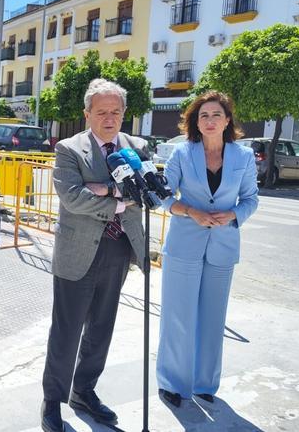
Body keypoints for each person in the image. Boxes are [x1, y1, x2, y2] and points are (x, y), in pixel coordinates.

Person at [41, 78, 149, 432]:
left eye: (116, 111)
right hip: (77, 252)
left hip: (118, 249)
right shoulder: (69, 149)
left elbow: (146, 194)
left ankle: (84, 391)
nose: (109, 118)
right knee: (67, 331)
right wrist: (121, 199)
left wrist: (104, 189)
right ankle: (53, 401)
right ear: (87, 114)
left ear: (124, 114)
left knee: (101, 328)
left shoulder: (137, 146)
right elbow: (73, 198)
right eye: (101, 112)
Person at [156, 91, 259, 408]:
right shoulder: (182, 154)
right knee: (178, 315)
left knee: (213, 319)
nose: (210, 120)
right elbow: (163, 195)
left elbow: (251, 199)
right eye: (204, 116)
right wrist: (189, 211)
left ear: (227, 120)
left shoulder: (243, 157)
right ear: (195, 123)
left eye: (216, 115)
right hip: (184, 244)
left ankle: (204, 383)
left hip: (223, 246)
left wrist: (234, 215)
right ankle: (173, 382)